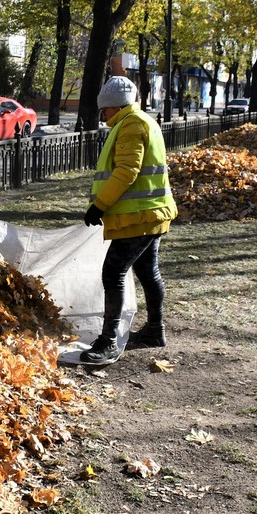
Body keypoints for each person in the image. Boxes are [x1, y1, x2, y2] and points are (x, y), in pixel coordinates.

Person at [80, 75, 178, 365]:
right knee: (148, 272)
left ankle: (108, 341)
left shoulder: (132, 125)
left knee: (114, 273)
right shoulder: (142, 121)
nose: (104, 115)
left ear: (115, 106)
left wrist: (99, 205)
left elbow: (126, 171)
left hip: (137, 217)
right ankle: (154, 331)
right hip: (151, 212)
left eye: (105, 110)